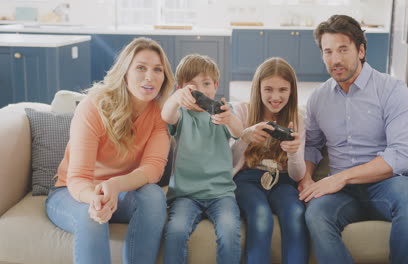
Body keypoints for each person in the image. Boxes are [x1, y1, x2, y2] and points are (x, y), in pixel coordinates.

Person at [298, 15, 408, 264]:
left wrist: (340, 177)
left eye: (343, 50)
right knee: (315, 213)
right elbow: (312, 146)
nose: (335, 60)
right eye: (328, 52)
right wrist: (306, 178)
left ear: (361, 50)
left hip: (387, 185)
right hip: (341, 194)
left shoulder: (392, 90)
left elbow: (402, 155)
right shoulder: (318, 98)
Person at [46, 37, 174, 264]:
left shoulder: (159, 114)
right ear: (125, 73)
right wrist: (95, 200)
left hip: (121, 193)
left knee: (154, 196)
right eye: (140, 68)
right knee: (91, 217)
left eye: (158, 70)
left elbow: (153, 168)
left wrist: (115, 185)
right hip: (73, 192)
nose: (149, 76)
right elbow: (78, 178)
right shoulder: (94, 107)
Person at [161, 54, 243, 264]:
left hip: (221, 193)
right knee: (176, 232)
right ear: (181, 88)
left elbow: (239, 131)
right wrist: (176, 98)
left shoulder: (224, 112)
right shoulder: (180, 113)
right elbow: (166, 115)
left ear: (215, 86)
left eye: (206, 83)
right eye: (192, 85)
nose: (201, 89)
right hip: (185, 194)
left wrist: (229, 119)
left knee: (230, 231)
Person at [231, 57, 309, 264]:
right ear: (258, 89)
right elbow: (229, 162)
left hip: (283, 180)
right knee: (260, 214)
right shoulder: (242, 111)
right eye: (268, 89)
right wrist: (245, 137)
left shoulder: (298, 118)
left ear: (291, 91)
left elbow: (297, 175)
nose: (276, 97)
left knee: (295, 213)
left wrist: (294, 152)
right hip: (247, 179)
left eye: (283, 90)